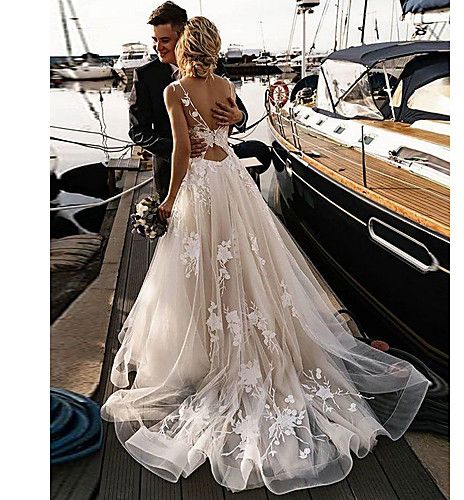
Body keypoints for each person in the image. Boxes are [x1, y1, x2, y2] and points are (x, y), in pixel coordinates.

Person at [101, 16, 431, 495]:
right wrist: (230, 119)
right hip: (231, 180)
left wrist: (169, 201)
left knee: (204, 273)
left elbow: (179, 153)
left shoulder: (177, 91)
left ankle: (210, 354)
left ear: (185, 46)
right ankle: (245, 345)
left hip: (200, 188)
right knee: (247, 266)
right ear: (214, 47)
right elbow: (229, 126)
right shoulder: (224, 83)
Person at [128, 2, 250, 201]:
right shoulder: (145, 76)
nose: (158, 47)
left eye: (165, 40)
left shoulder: (214, 68)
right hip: (169, 175)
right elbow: (137, 131)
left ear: (183, 37)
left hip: (216, 176)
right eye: (155, 40)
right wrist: (178, 147)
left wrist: (238, 117)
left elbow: (240, 113)